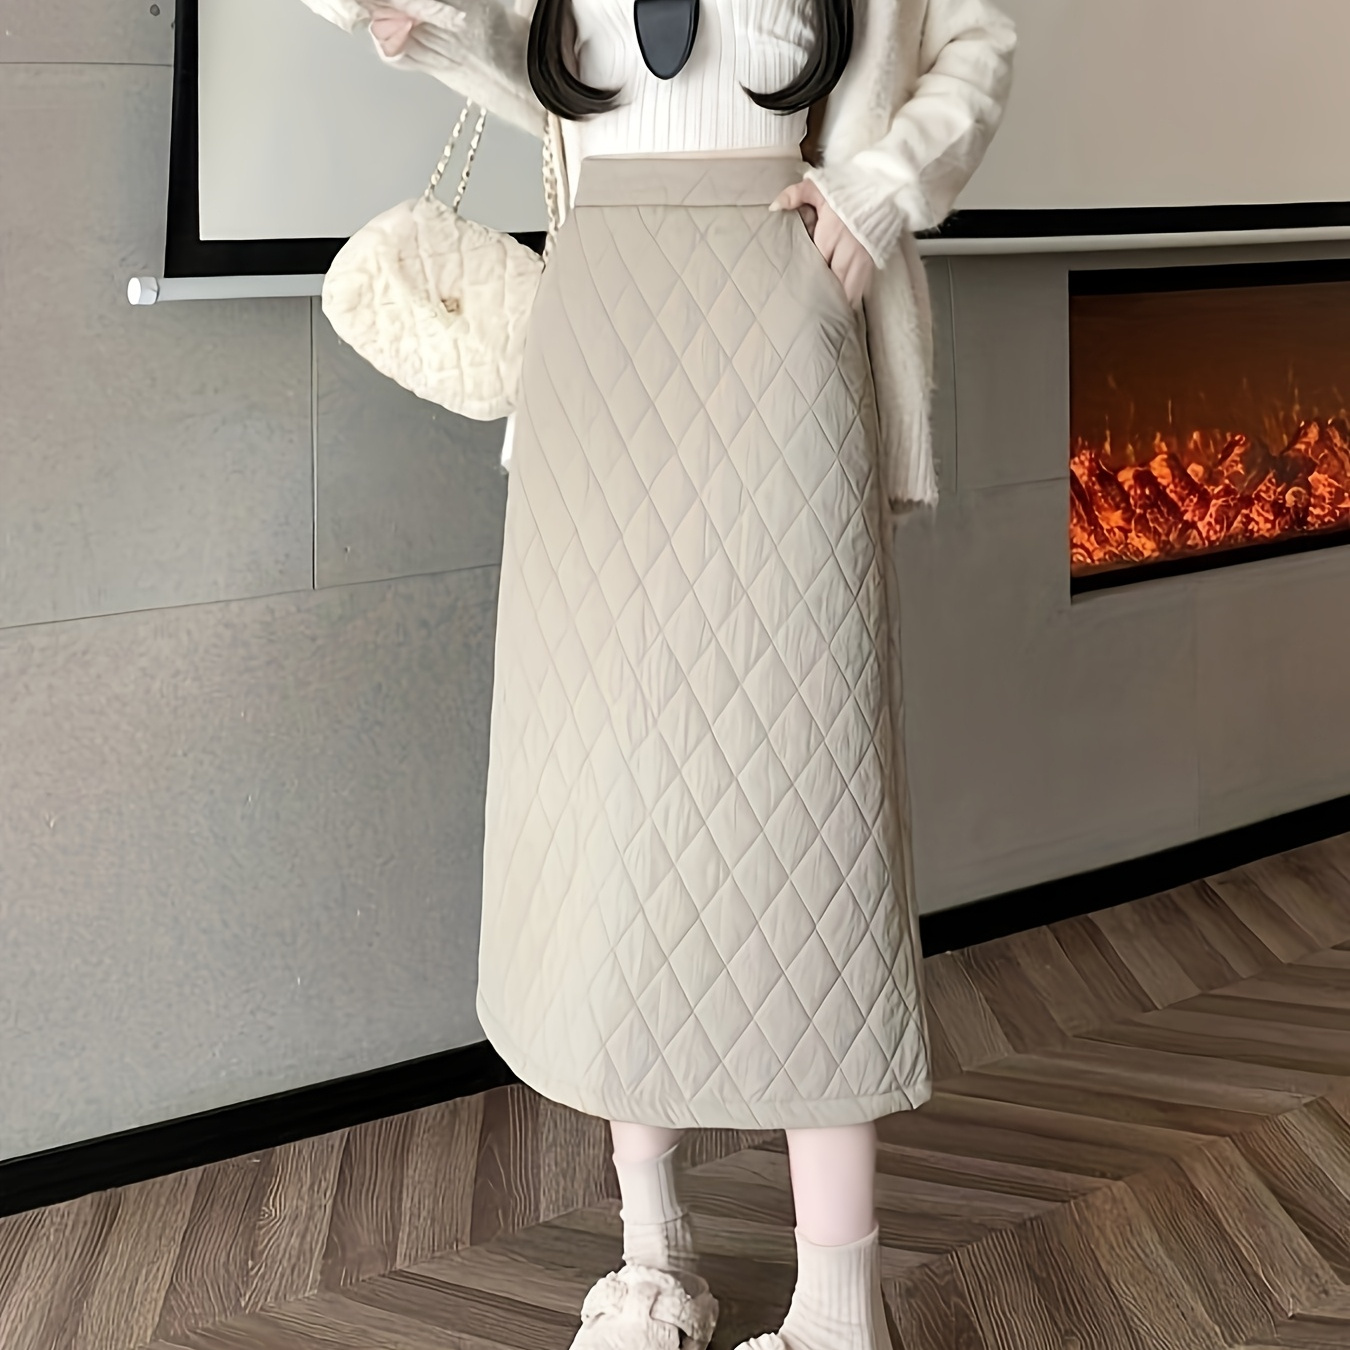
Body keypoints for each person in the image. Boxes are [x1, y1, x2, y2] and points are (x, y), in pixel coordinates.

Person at [302, 1, 1015, 1345]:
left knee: (807, 811)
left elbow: (976, 45)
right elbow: (537, 69)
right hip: (597, 328)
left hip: (781, 307)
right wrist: (421, 24)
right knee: (611, 794)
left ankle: (839, 1305)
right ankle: (652, 1253)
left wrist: (878, 191)